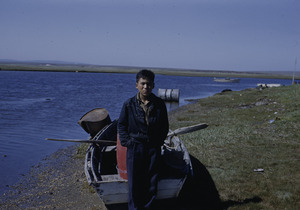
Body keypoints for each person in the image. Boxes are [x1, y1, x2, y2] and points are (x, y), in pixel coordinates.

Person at [118, 69, 169, 210]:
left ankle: (149, 207)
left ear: (153, 85)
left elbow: (164, 126)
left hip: (153, 148)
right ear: (137, 85)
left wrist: (158, 142)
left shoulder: (159, 104)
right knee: (134, 182)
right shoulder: (129, 104)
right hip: (135, 147)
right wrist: (127, 142)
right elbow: (121, 125)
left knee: (152, 181)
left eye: (149, 84)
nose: (146, 87)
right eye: (143, 84)